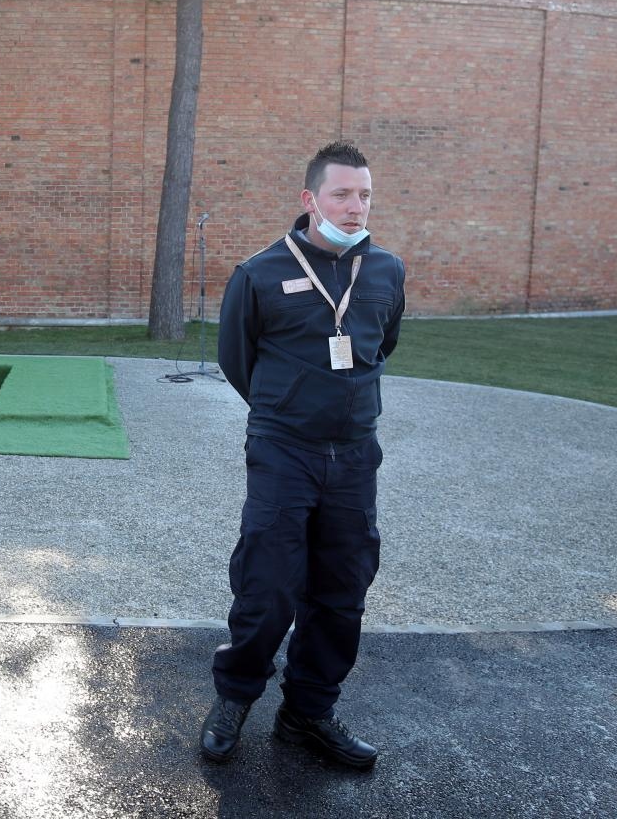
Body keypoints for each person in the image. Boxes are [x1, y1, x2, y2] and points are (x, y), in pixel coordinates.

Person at [200, 140, 406, 769]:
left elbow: (382, 345)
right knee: (268, 584)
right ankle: (235, 698)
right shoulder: (259, 273)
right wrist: (289, 405)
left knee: (343, 588)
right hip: (283, 449)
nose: (355, 206)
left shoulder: (386, 271)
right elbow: (237, 360)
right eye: (342, 194)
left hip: (355, 455)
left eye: (364, 195)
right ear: (310, 199)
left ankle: (308, 713)